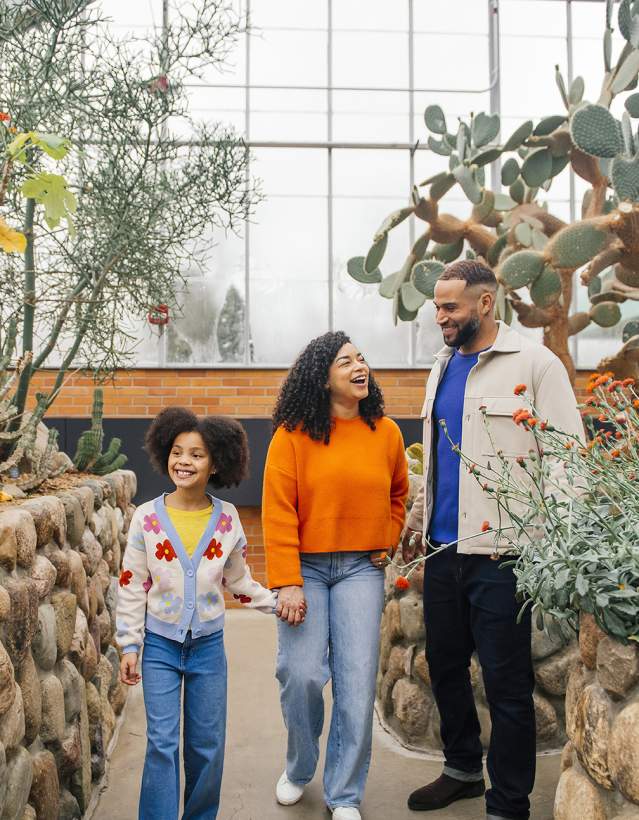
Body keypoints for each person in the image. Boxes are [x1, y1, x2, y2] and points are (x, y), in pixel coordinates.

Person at [401, 260, 583, 820]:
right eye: (436, 306)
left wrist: (551, 542)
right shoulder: (440, 367)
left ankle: (508, 802)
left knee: (507, 683)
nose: (440, 317)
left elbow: (567, 458)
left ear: (485, 303)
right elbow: (437, 459)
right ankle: (461, 770)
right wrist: (418, 522)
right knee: (446, 665)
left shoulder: (535, 363)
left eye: (450, 306)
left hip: (505, 555)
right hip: (443, 549)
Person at [262, 331, 409, 820]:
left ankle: (344, 793)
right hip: (304, 567)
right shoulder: (292, 434)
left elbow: (398, 495)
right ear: (321, 377)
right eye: (345, 361)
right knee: (300, 675)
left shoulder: (385, 432)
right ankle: (300, 765)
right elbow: (277, 512)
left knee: (356, 681)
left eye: (361, 358)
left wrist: (386, 538)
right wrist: (286, 580)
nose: (358, 365)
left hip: (359, 571)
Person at [116, 407, 277, 820]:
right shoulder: (147, 518)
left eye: (197, 454)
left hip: (207, 648)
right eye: (177, 451)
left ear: (216, 463)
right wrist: (129, 643)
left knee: (207, 746)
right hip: (159, 648)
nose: (183, 461)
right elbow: (132, 583)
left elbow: (238, 582)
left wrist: (278, 603)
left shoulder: (227, 519)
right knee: (162, 743)